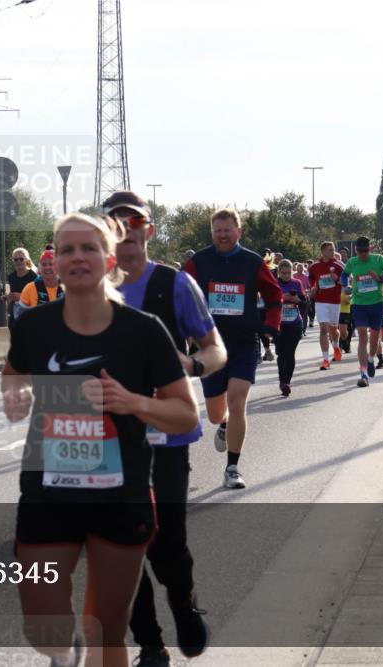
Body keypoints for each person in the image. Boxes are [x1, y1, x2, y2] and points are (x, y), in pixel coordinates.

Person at [2, 212, 199, 667]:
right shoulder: (34, 326)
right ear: (54, 259)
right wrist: (15, 395)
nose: (76, 257)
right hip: (47, 493)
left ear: (110, 259)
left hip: (120, 496)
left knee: (108, 630)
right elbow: (13, 373)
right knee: (44, 626)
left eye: (88, 247)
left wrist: (134, 403)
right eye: (66, 249)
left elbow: (184, 413)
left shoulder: (144, 330)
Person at [106, 189, 226, 665]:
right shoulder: (90, 287)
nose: (126, 233)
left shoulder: (174, 285)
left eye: (134, 224)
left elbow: (215, 349)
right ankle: (150, 644)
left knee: (166, 543)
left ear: (148, 231)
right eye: (115, 224)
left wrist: (190, 365)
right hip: (109, 439)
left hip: (166, 434)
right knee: (120, 545)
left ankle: (184, 603)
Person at [184, 208, 282, 489]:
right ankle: (223, 424)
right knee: (216, 413)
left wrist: (272, 325)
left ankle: (232, 467)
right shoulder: (199, 262)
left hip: (243, 343)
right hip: (209, 346)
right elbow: (180, 294)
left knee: (237, 400)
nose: (223, 235)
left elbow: (274, 294)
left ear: (238, 232)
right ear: (212, 232)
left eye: (228, 230)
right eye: (218, 230)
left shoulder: (252, 262)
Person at [341, 237, 383, 388]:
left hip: (376, 304)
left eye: (366, 251)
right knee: (361, 337)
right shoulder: (353, 262)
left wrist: (379, 278)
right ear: (356, 251)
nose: (363, 254)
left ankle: (371, 359)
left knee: (374, 338)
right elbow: (344, 275)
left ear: (370, 249)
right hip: (359, 304)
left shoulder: (378, 259)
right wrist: (346, 285)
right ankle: (363, 373)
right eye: (360, 251)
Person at [307, 242, 346, 370]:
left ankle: (335, 346)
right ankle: (325, 360)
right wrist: (313, 288)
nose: (333, 252)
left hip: (335, 301)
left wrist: (337, 279)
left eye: (333, 250)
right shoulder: (315, 266)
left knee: (333, 330)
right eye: (330, 250)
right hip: (321, 301)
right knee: (323, 329)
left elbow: (347, 281)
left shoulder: (339, 265)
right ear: (323, 251)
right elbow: (312, 279)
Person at [275, 259, 306, 396]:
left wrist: (296, 300)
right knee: (281, 354)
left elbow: (303, 302)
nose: (287, 275)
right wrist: (283, 297)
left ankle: (286, 382)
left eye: (289, 273)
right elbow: (269, 301)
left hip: (294, 323)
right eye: (284, 273)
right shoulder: (275, 283)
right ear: (279, 272)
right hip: (279, 324)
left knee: (289, 352)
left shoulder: (297, 283)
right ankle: (282, 380)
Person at [5, 247, 37, 328]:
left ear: (26, 260)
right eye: (16, 259)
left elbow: (38, 296)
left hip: (28, 314)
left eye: (21, 259)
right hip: (15, 313)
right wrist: (7, 297)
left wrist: (21, 296)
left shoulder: (33, 276)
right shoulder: (11, 276)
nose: (18, 261)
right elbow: (13, 293)